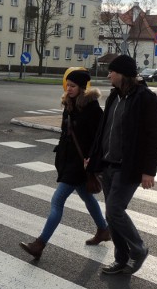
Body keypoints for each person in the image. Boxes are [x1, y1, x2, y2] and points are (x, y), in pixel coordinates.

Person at [87, 55, 157, 275]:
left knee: (114, 210)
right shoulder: (114, 97)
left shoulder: (146, 99)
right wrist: (94, 157)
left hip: (128, 166)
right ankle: (121, 259)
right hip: (108, 164)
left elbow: (156, 137)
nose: (109, 74)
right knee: (112, 214)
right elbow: (104, 129)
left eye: (112, 71)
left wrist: (149, 170)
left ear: (122, 74)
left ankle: (138, 249)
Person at [20, 68, 110, 259]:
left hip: (81, 164)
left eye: (73, 86)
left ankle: (40, 244)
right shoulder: (69, 106)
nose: (68, 89)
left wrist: (93, 160)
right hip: (68, 161)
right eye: (67, 85)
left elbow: (101, 138)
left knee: (57, 200)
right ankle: (103, 230)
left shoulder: (93, 109)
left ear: (83, 88)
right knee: (87, 198)